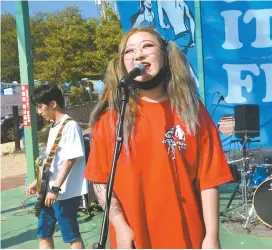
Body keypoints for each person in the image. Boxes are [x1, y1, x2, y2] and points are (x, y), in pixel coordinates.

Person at [84, 27, 233, 249]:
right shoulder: (111, 119)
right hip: (133, 239)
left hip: (187, 236)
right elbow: (100, 179)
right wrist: (120, 226)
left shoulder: (192, 111)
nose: (139, 54)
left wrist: (211, 235)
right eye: (129, 51)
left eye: (147, 46)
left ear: (165, 55)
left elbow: (209, 179)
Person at [26, 84, 88, 249]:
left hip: (64, 192)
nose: (39, 112)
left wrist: (55, 188)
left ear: (53, 104)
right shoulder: (54, 127)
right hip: (49, 191)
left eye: (40, 106)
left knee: (71, 236)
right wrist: (37, 182)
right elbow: (52, 161)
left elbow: (70, 160)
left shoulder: (70, 126)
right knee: (44, 233)